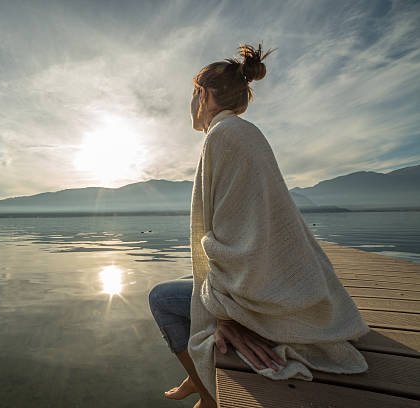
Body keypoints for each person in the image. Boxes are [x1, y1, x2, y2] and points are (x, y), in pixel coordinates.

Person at [149, 42, 370, 408]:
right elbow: (248, 234)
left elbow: (239, 246)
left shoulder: (223, 137)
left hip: (266, 295)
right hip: (277, 281)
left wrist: (227, 315)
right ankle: (195, 377)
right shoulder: (242, 132)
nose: (189, 104)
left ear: (202, 95)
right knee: (191, 290)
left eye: (192, 95)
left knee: (161, 299)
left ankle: (206, 395)